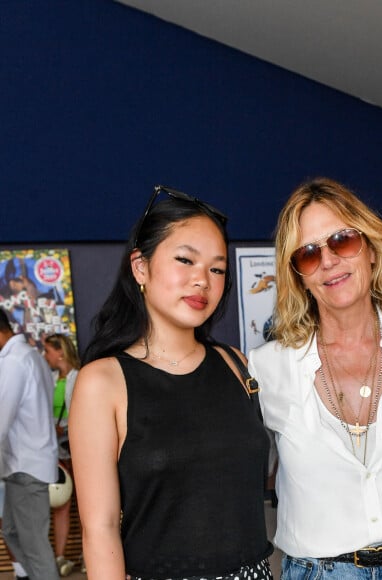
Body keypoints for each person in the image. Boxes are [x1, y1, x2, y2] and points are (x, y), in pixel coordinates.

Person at [248, 177, 382, 579]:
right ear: (298, 276)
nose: (329, 260)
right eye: (309, 254)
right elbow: (231, 471)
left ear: (370, 248)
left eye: (342, 240)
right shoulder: (268, 367)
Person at [69, 185, 274, 580]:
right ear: (140, 267)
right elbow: (100, 529)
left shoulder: (235, 364)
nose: (203, 280)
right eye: (185, 260)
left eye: (216, 269)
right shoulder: (103, 382)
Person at [0, 307, 60, 580]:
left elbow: (2, 417)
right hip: (21, 464)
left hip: (27, 464)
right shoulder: (31, 356)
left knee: (34, 544)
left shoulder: (15, 361)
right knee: (12, 532)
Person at [43, 333, 81, 577]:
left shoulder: (81, 377)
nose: (45, 356)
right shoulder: (51, 379)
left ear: (60, 352)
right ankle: (59, 557)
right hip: (58, 450)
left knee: (89, 505)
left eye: (48, 351)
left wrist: (66, 426)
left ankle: (90, 556)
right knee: (61, 504)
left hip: (80, 449)